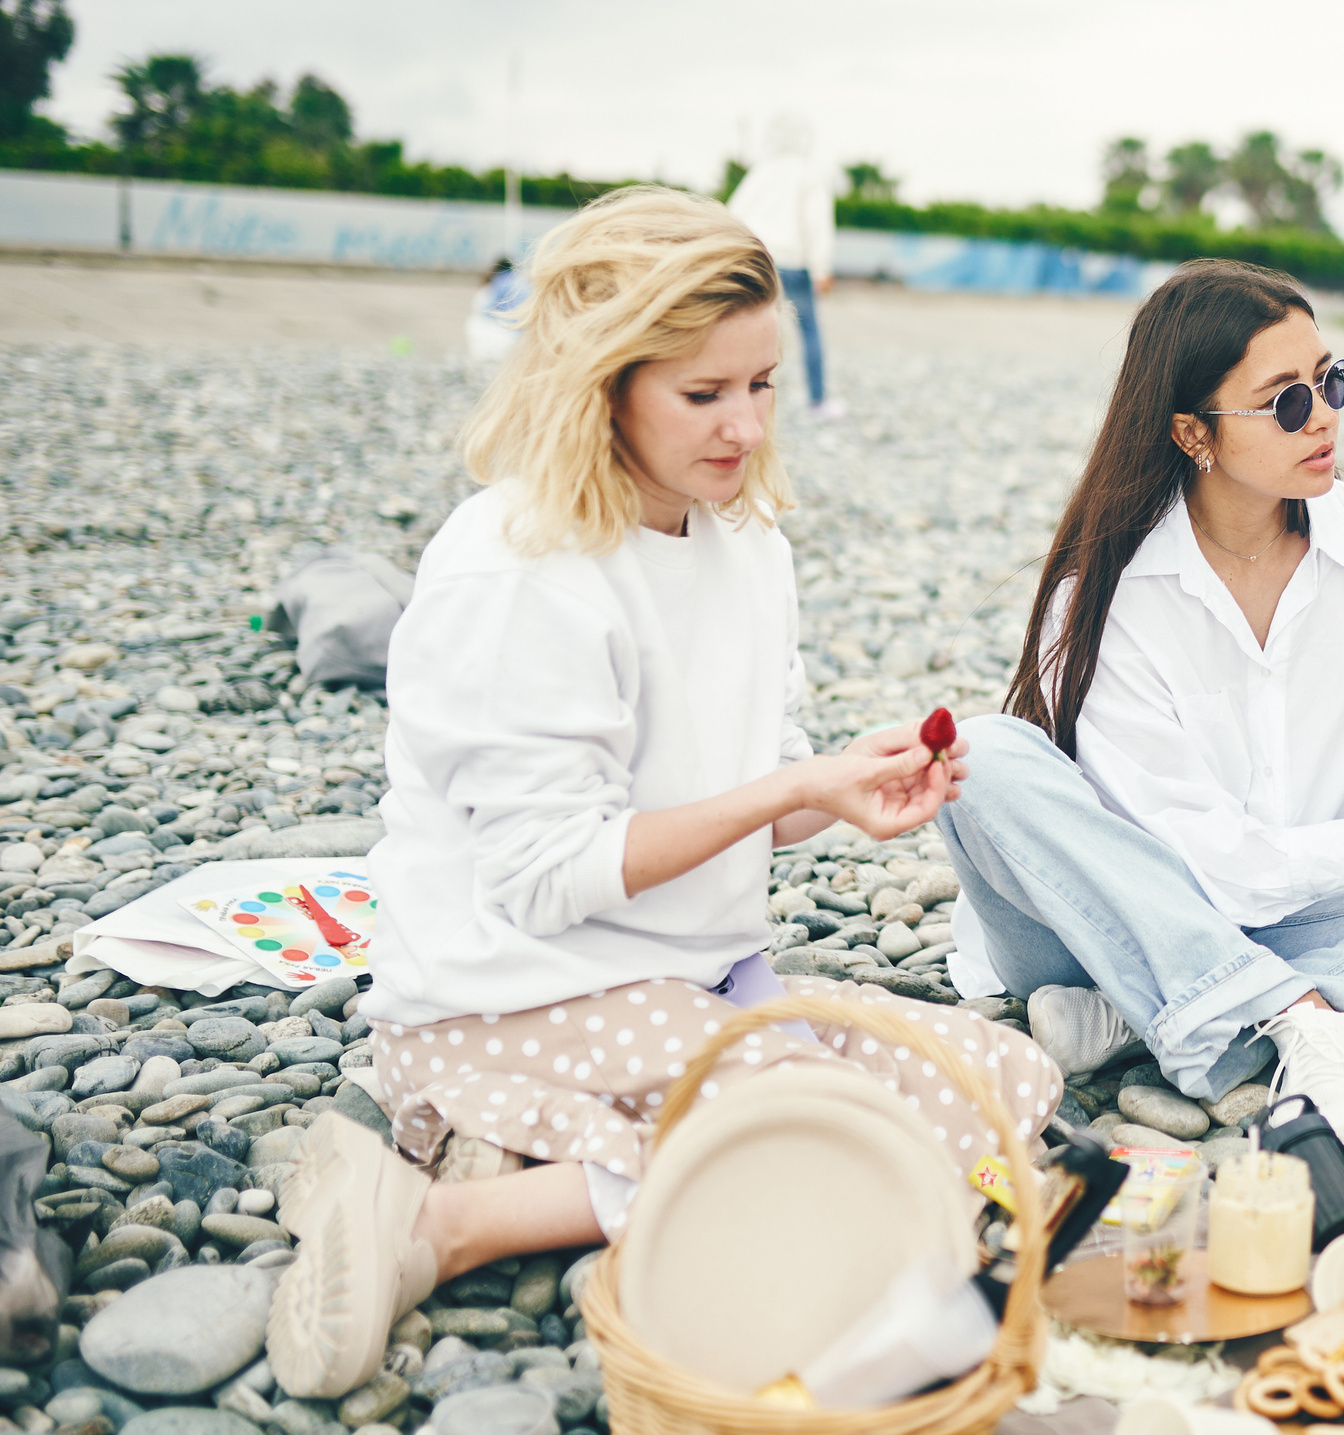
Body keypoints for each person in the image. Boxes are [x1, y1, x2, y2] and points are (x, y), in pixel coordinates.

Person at [269, 186, 1060, 1397]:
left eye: (761, 385)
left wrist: (840, 790)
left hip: (684, 978)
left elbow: (753, 794)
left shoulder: (743, 540)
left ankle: (542, 1172)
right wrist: (788, 785)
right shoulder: (517, 569)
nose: (744, 427)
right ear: (601, 382)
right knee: (844, 1152)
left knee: (1001, 1088)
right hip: (515, 991)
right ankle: (439, 1226)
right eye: (705, 393)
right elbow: (545, 882)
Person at [938, 260, 1344, 1154]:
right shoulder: (1108, 592)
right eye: (1286, 400)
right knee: (979, 754)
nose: (1324, 415)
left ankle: (1146, 1015)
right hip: (1113, 919)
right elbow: (1199, 859)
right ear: (1193, 432)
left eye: (1331, 381)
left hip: (1318, 904)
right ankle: (1284, 1009)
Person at [725, 115, 844, 420]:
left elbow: (732, 213)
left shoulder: (760, 172)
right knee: (808, 329)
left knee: (736, 327)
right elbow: (817, 224)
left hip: (751, 257)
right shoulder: (808, 173)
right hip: (791, 261)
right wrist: (822, 269)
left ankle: (728, 395)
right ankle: (818, 402)